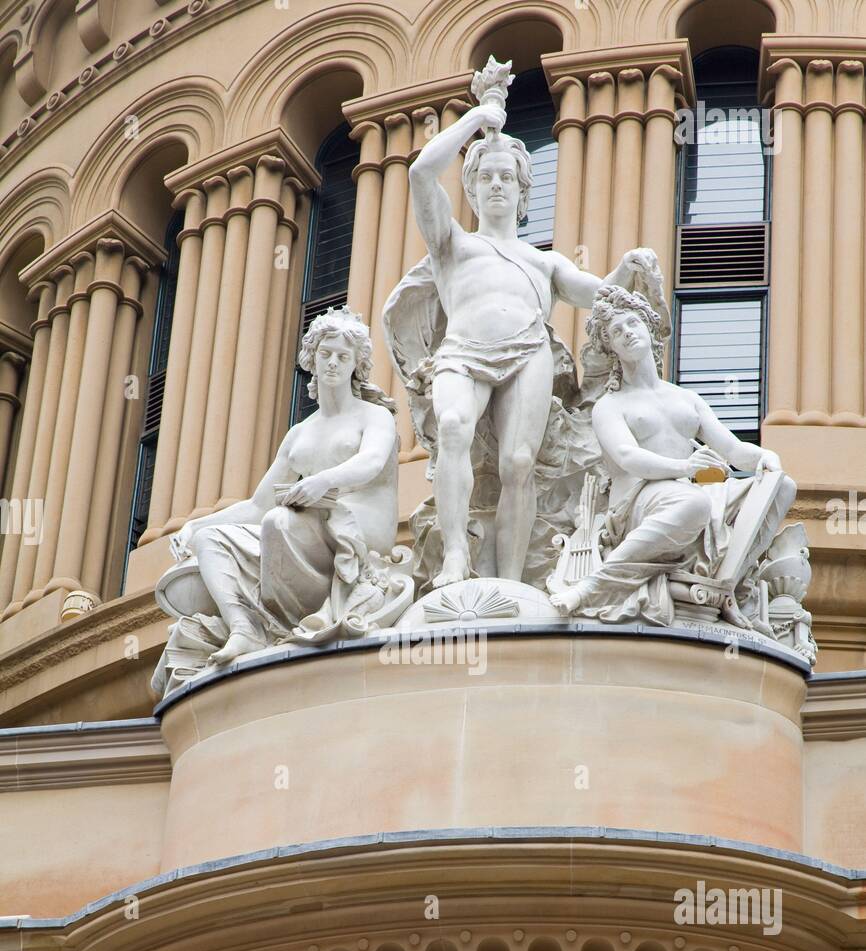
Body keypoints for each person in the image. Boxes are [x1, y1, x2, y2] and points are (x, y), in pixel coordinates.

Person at [388, 94, 662, 589]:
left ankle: (512, 583)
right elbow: (420, 174)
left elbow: (602, 295)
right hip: (463, 353)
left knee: (520, 463)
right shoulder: (453, 243)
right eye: (486, 176)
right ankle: (455, 557)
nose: (496, 184)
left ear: (522, 192)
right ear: (469, 189)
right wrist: (475, 120)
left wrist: (631, 265)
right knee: (452, 425)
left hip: (527, 353)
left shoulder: (545, 263)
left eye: (506, 177)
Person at [550, 285, 796, 627]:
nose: (626, 333)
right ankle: (593, 586)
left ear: (649, 330)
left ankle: (729, 584)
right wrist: (686, 467)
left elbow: (733, 450)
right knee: (693, 503)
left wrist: (764, 457)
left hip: (690, 491)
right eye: (616, 332)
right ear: (610, 348)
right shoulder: (610, 405)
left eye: (632, 324)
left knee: (782, 486)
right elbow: (627, 457)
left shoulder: (686, 398)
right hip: (639, 500)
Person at [168, 307, 398, 666]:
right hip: (305, 531)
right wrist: (197, 525)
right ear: (312, 359)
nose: (333, 363)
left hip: (361, 526)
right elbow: (259, 506)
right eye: (325, 354)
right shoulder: (300, 434)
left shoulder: (374, 416)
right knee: (212, 540)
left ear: (356, 364)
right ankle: (243, 627)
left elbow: (370, 463)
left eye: (343, 356)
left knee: (279, 521)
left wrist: (321, 482)